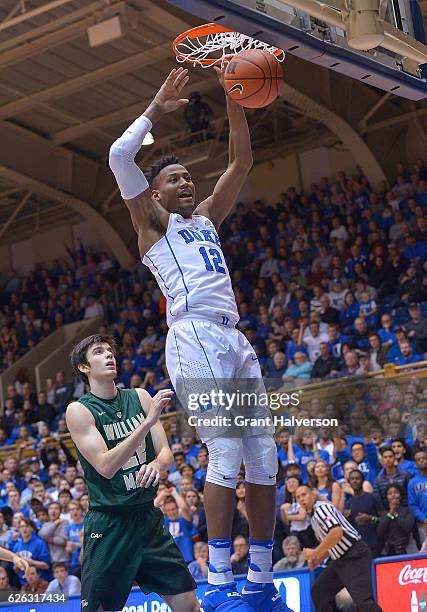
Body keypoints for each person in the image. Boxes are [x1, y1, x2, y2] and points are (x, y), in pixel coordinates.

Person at [108, 65, 288, 612]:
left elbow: (241, 161)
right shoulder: (152, 223)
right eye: (173, 179)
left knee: (266, 458)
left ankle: (258, 578)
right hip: (193, 336)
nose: (185, 182)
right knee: (226, 449)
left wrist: (237, 94)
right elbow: (119, 156)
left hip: (232, 337)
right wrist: (157, 110)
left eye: (189, 177)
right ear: (154, 193)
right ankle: (216, 584)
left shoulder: (206, 219)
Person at [66, 335, 198, 612]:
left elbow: (165, 453)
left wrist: (157, 465)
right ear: (83, 367)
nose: (109, 355)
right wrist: (146, 422)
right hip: (109, 523)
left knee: (189, 606)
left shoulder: (139, 396)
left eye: (110, 351)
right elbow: (105, 465)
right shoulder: (78, 410)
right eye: (99, 352)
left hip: (147, 518)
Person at [296, 484, 382, 612]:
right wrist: (319, 557)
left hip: (354, 555)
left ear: (313, 494)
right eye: (298, 497)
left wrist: (315, 552)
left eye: (304, 494)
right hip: (340, 560)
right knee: (319, 592)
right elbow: (331, 542)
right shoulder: (313, 517)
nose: (301, 499)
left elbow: (336, 533)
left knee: (363, 601)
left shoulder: (321, 509)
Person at [377, 485, 415, 555]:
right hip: (389, 551)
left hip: (405, 549)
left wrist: (395, 513)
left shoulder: (407, 510)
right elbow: (380, 531)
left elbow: (407, 528)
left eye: (396, 492)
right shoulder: (384, 514)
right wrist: (390, 514)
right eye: (390, 493)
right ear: (387, 498)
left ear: (400, 496)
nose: (393, 495)